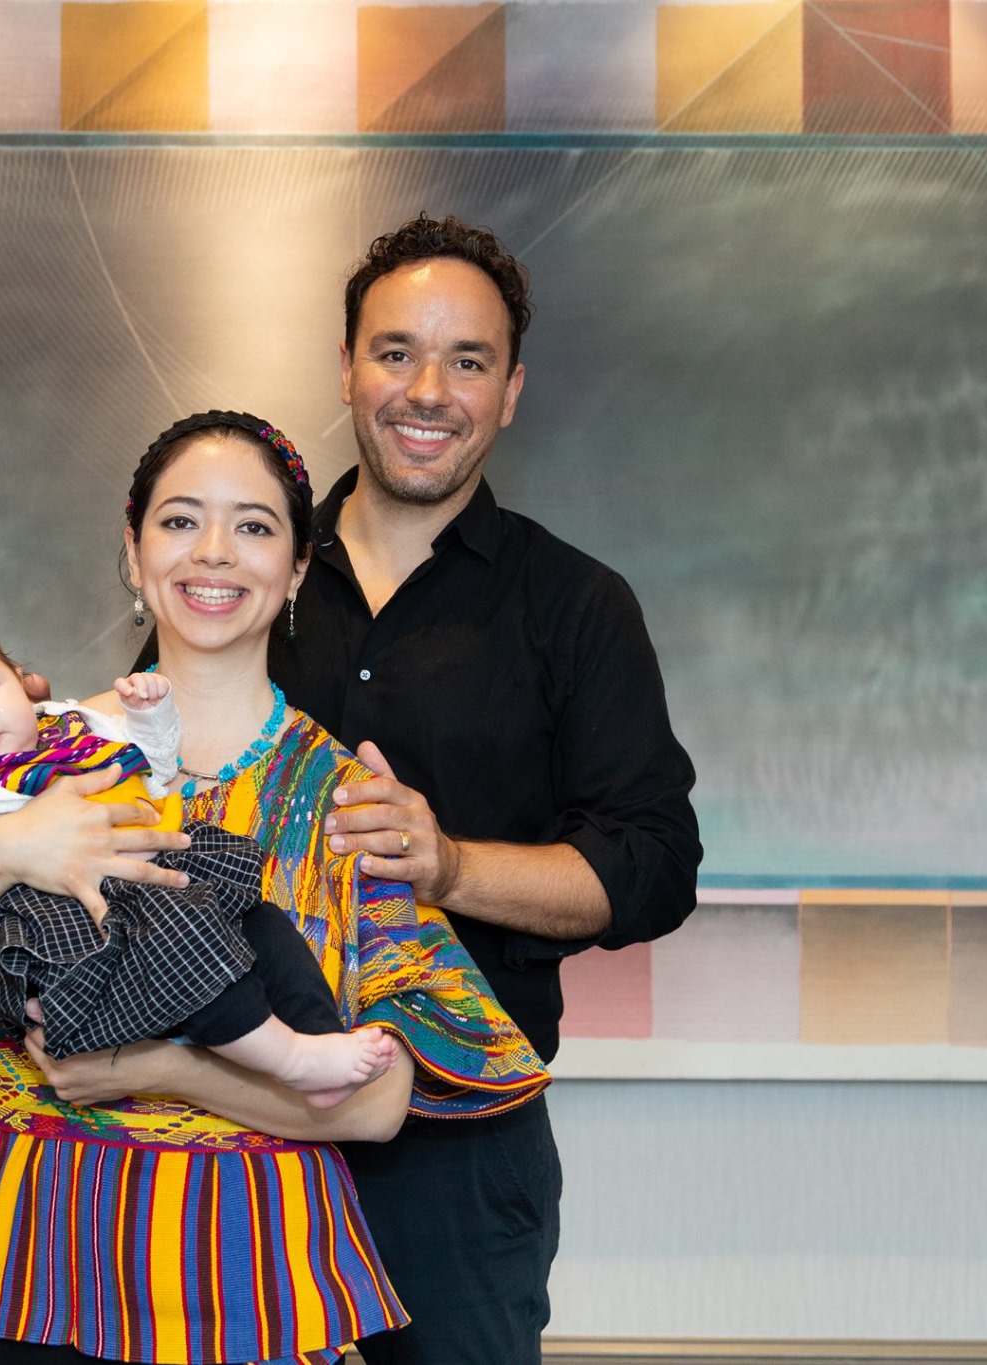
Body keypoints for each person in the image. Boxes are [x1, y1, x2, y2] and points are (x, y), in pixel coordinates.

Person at [0, 410, 549, 1363]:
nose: (213, 552)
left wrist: (161, 1069)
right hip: (32, 1250)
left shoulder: (344, 798)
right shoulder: (18, 754)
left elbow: (379, 1104)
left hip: (244, 1272)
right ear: (133, 552)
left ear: (299, 569)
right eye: (179, 521)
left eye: (254, 525)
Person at [279, 216, 704, 1364]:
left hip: (457, 1141)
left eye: (466, 361)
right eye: (395, 351)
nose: (428, 390)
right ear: (345, 369)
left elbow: (652, 867)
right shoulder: (242, 581)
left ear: (509, 392)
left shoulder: (574, 606)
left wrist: (447, 865)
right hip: (229, 1120)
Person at [0, 605, 396, 1102]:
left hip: (159, 879)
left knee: (260, 920)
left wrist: (151, 716)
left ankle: (321, 1044)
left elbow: (155, 765)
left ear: (23, 682)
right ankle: (292, 1060)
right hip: (64, 934)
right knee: (185, 944)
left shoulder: (72, 727)